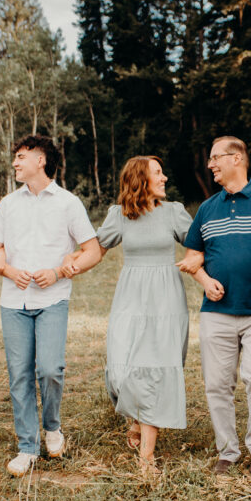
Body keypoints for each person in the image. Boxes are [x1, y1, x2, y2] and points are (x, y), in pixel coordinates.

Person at [62, 156, 207, 478]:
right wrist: (72, 266)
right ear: (140, 178)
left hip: (165, 299)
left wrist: (201, 265)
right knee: (119, 369)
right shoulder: (120, 215)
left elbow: (199, 244)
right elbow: (96, 250)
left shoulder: (174, 212)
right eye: (158, 173)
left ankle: (147, 458)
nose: (165, 177)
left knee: (152, 370)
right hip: (130, 297)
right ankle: (135, 418)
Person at [0, 135, 100, 478]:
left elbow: (91, 250)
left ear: (41, 159)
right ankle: (27, 446)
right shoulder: (7, 204)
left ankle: (52, 426)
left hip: (53, 299)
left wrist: (60, 270)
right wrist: (7, 269)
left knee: (49, 369)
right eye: (15, 157)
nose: (16, 162)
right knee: (19, 374)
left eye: (21, 156)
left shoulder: (68, 203)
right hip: (13, 302)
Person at [177, 136, 251, 477]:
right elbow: (192, 257)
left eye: (215, 158)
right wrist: (203, 279)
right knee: (217, 384)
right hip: (217, 314)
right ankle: (226, 451)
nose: (210, 164)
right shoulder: (208, 208)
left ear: (237, 158)